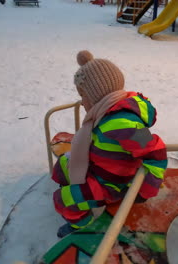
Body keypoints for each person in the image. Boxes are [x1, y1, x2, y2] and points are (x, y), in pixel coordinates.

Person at [52, 50, 168, 238]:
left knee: (62, 200)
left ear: (96, 95)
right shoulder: (107, 113)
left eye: (84, 96)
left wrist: (144, 190)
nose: (82, 103)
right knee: (63, 165)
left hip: (113, 184)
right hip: (101, 167)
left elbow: (155, 152)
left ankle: (81, 226)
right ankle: (74, 186)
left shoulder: (121, 123)